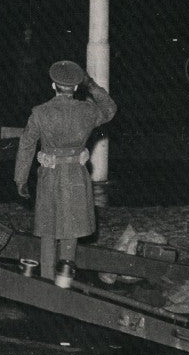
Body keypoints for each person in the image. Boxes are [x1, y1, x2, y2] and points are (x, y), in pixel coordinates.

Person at [13, 60, 116, 282]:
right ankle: (64, 281)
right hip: (76, 176)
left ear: (53, 85)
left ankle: (47, 280)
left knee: (48, 232)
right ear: (76, 87)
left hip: (50, 177)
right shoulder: (87, 111)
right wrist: (92, 85)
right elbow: (110, 109)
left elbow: (26, 145)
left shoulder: (40, 113)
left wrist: (20, 179)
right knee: (70, 230)